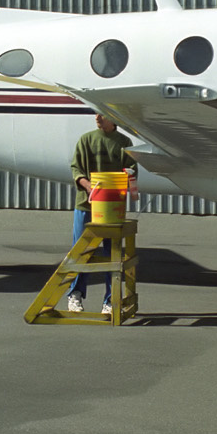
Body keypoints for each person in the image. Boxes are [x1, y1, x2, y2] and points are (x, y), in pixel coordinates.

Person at [65, 113, 137, 314]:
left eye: (102, 113)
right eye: (95, 112)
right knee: (81, 251)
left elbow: (132, 169)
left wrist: (123, 180)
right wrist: (88, 185)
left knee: (112, 254)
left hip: (112, 208)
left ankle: (110, 300)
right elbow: (76, 168)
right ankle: (75, 295)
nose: (97, 116)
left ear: (114, 117)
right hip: (86, 206)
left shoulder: (124, 143)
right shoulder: (86, 139)